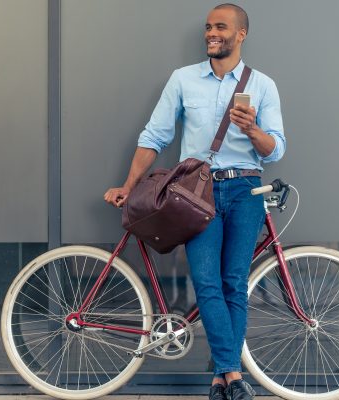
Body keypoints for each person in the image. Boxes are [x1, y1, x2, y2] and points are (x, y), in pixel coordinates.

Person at [104, 4, 285, 400]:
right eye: (207, 27)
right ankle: (233, 375)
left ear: (241, 34)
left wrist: (252, 129)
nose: (211, 34)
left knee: (234, 283)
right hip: (195, 194)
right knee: (206, 282)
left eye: (220, 27)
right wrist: (127, 184)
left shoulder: (263, 85)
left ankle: (223, 378)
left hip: (245, 191)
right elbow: (155, 136)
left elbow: (275, 150)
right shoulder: (183, 80)